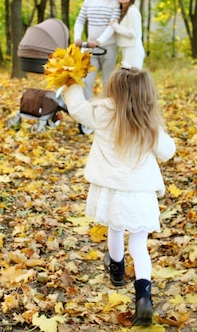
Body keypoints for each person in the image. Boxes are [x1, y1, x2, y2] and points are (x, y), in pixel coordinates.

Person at [63, 65, 176, 326]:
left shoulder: (102, 113)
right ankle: (144, 298)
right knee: (139, 245)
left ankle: (116, 270)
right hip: (140, 192)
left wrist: (72, 82)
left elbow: (77, 108)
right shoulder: (148, 121)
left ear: (113, 88)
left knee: (115, 229)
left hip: (112, 191)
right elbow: (167, 152)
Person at [73, 0, 121, 100]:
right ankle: (88, 112)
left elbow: (112, 25)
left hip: (109, 48)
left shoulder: (116, 1)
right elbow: (80, 20)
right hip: (90, 49)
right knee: (86, 81)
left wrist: (99, 41)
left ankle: (105, 112)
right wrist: (77, 38)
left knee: (108, 83)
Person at [110, 0, 145, 69]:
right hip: (127, 49)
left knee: (132, 78)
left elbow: (132, 33)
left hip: (133, 50)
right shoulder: (124, 11)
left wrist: (115, 26)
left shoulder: (132, 11)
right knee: (128, 78)